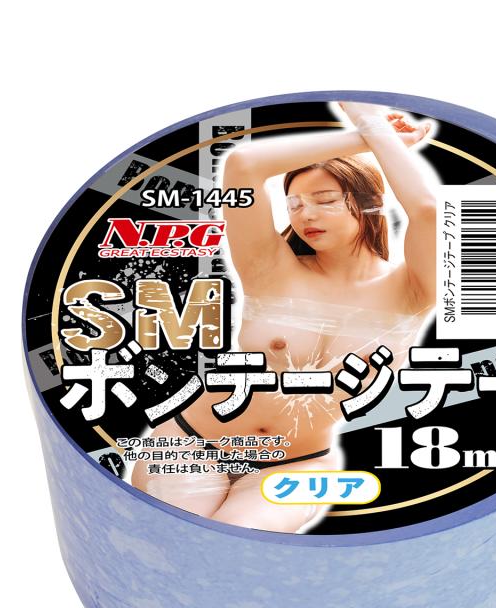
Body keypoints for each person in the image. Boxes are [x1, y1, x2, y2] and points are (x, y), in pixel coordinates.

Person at [132, 101, 437, 533]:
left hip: (298, 464)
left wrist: (376, 130)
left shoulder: (412, 292)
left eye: (325, 200)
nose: (306, 214)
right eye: (294, 204)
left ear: (369, 204)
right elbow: (244, 165)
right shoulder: (270, 268)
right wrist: (367, 134)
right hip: (192, 442)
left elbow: (427, 211)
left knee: (237, 549)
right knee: (176, 542)